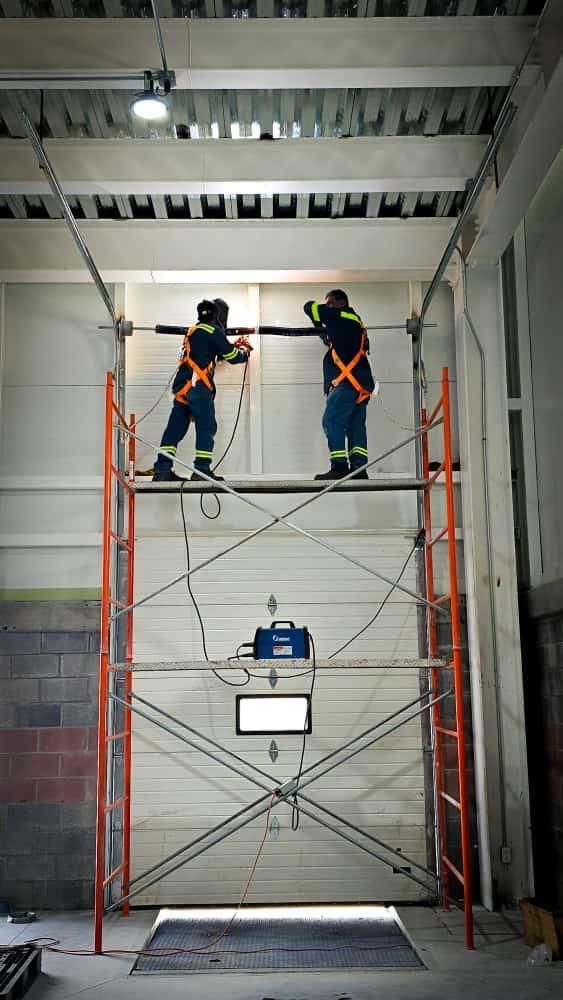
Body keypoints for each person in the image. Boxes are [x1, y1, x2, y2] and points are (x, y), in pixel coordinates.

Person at [153, 298, 251, 482]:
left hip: (182, 387)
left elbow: (210, 354)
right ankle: (202, 470)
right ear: (217, 316)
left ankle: (162, 470)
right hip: (199, 387)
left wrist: (230, 345)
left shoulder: (193, 332)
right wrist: (244, 352)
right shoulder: (214, 331)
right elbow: (231, 356)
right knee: (206, 426)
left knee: (175, 429)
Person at [303, 289, 374, 480]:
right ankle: (359, 469)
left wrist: (321, 317)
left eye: (329, 303)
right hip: (362, 384)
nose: (327, 306)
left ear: (336, 302)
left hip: (346, 384)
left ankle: (339, 466)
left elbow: (309, 307)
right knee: (355, 426)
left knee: (332, 421)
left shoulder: (337, 314)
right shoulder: (355, 322)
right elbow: (333, 339)